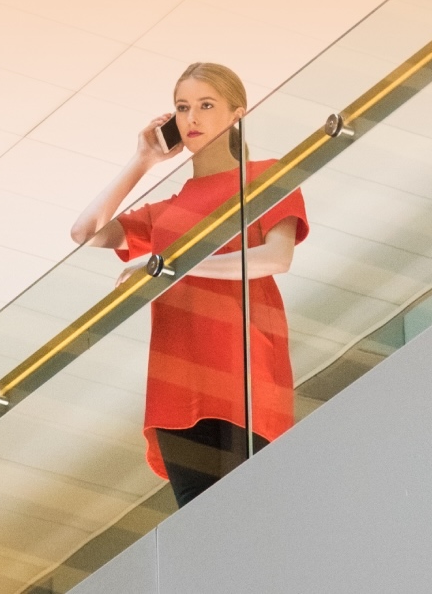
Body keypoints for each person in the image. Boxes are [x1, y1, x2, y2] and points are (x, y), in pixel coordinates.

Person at [71, 63, 309, 507]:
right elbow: (86, 232)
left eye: (205, 105)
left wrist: (168, 266)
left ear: (237, 114)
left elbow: (277, 258)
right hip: (176, 389)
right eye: (182, 108)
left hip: (244, 373)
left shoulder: (265, 174)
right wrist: (141, 160)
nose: (192, 119)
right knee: (199, 528)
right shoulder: (169, 211)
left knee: (249, 515)